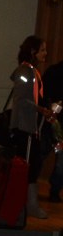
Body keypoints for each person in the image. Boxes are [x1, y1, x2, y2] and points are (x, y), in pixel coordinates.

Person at [9, 34, 52, 218]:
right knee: (26, 167)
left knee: (32, 165)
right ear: (33, 52)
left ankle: (30, 205)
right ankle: (23, 205)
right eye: (42, 50)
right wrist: (40, 109)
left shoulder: (33, 72)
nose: (45, 53)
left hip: (32, 128)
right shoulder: (25, 71)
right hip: (24, 128)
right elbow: (21, 100)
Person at [42, 58, 63, 202]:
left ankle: (55, 189)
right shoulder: (54, 72)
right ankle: (54, 190)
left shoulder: (53, 71)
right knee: (44, 154)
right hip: (52, 123)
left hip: (52, 122)